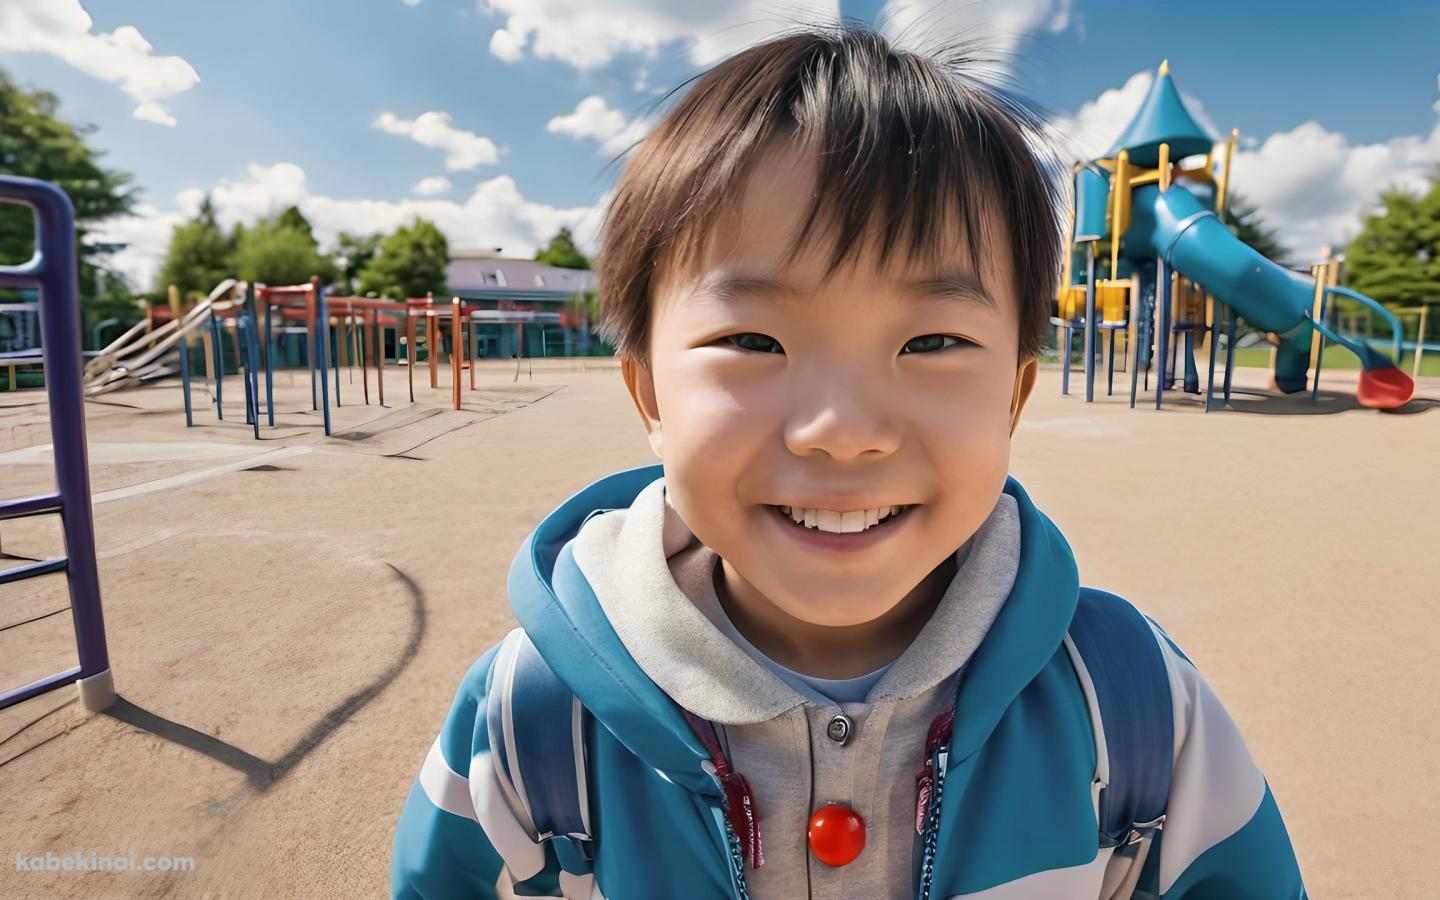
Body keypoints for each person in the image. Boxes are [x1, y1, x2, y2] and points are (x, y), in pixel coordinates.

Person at [392, 25, 1306, 899]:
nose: (843, 430)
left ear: (1016, 398)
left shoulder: (1135, 704)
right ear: (651, 399)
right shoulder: (532, 719)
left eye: (933, 340)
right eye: (753, 338)